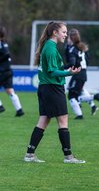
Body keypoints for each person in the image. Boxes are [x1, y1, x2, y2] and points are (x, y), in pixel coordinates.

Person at [24, 21, 85, 164]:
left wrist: (67, 71)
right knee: (63, 120)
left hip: (46, 88)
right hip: (52, 88)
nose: (66, 35)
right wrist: (68, 72)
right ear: (55, 32)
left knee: (44, 120)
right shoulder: (50, 48)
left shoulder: (48, 46)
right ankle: (68, 157)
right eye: (64, 32)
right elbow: (52, 72)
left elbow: (51, 69)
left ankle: (29, 154)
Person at [65, 29, 99, 119]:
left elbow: (72, 63)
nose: (67, 40)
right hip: (83, 73)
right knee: (76, 95)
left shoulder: (73, 49)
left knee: (71, 96)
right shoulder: (82, 47)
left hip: (78, 74)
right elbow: (88, 60)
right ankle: (87, 106)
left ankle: (80, 114)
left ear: (72, 38)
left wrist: (61, 68)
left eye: (68, 38)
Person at [0, 27, 24, 117]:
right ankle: (19, 110)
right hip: (8, 71)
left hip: (2, 71)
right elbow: (5, 53)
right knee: (10, 91)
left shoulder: (0, 44)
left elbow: (7, 54)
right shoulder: (4, 43)